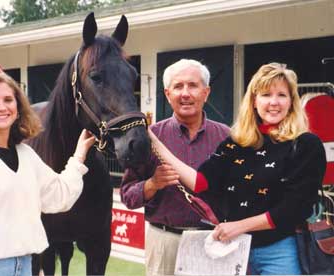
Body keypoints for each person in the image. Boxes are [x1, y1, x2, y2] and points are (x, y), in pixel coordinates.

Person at [149, 62, 327, 275]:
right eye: (265, 94)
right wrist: (154, 143)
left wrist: (240, 225)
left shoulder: (306, 144)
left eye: (281, 95)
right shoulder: (236, 142)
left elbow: (295, 208)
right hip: (233, 249)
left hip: (279, 251)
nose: (273, 102)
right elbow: (201, 182)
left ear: (291, 102)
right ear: (254, 101)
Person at [0, 72, 95, 276]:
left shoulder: (26, 155)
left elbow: (59, 196)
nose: (2, 107)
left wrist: (78, 156)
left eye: (8, 100)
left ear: (18, 107)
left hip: (27, 266)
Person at [120, 59, 230, 276]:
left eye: (193, 85)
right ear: (168, 94)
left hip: (212, 240)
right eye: (178, 86)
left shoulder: (226, 137)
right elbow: (127, 196)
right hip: (164, 242)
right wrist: (152, 184)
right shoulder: (149, 138)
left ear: (206, 92)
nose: (185, 93)